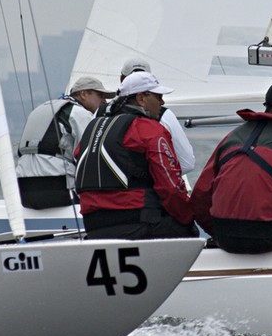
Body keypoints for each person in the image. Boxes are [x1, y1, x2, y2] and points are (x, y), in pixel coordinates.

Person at [191, 78, 272, 253]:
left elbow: (200, 196)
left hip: (224, 234)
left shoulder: (232, 136)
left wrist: (217, 232)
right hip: (266, 234)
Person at [74, 71, 197, 239]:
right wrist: (189, 219)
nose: (162, 102)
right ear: (141, 99)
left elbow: (77, 155)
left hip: (93, 224)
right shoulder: (149, 130)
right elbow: (171, 188)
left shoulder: (93, 127)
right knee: (187, 229)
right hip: (138, 221)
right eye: (158, 96)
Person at [15, 76, 115, 209]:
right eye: (100, 95)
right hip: (58, 191)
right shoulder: (80, 114)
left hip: (24, 192)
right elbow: (91, 155)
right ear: (84, 94)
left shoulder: (40, 110)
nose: (104, 101)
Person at [119, 58, 195, 173]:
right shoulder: (163, 114)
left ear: (121, 80)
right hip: (144, 189)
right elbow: (187, 164)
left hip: (96, 189)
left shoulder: (100, 114)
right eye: (158, 97)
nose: (162, 102)